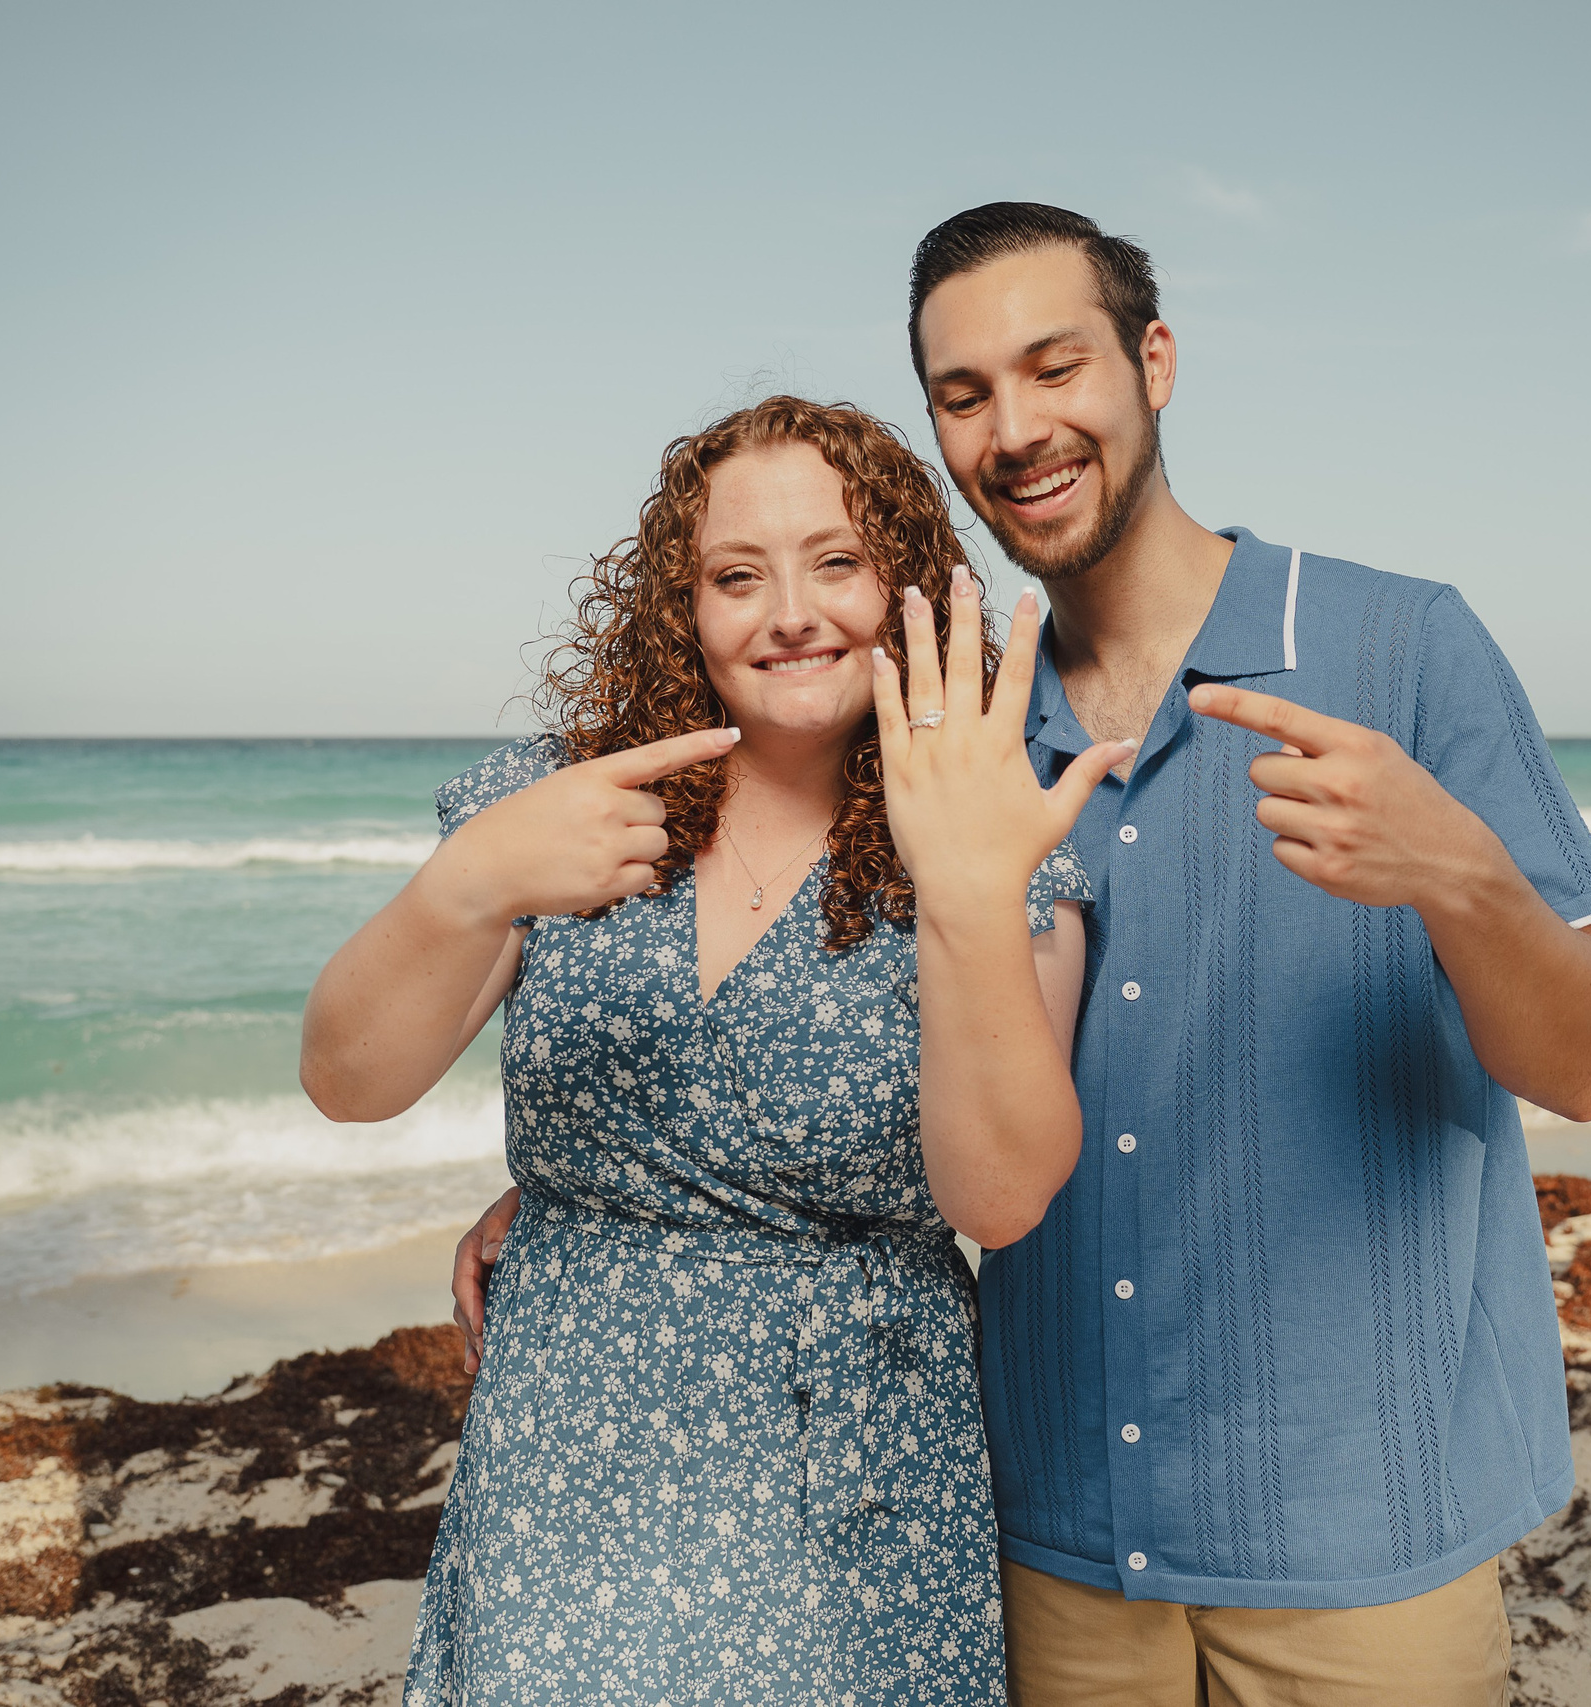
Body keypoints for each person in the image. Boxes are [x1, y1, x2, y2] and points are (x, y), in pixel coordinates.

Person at [454, 208, 1591, 1704]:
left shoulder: (1401, 649)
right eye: (963, 395)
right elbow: (861, 1031)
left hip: (1361, 1529)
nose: (1014, 429)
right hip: (1050, 1532)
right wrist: (613, 1179)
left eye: (1054, 366)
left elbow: (1587, 1068)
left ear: (1154, 363)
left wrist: (1460, 877)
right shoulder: (943, 723)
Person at [303, 395, 1133, 1706]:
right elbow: (348, 1082)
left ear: (909, 588)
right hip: (565, 1464)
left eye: (837, 563)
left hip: (852, 1482)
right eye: (737, 576)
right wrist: (468, 883)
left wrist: (968, 893)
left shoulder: (993, 829)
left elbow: (1002, 1197)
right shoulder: (570, 800)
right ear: (681, 608)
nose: (789, 614)